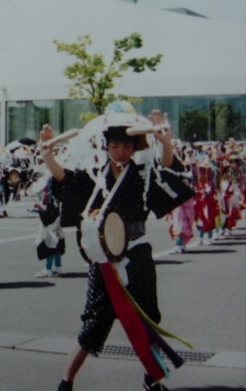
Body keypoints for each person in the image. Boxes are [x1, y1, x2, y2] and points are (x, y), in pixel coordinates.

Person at [39, 104, 194, 391]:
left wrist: (164, 141)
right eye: (115, 145)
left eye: (126, 146)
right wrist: (48, 155)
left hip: (137, 252)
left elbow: (168, 170)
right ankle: (66, 381)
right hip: (104, 258)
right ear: (105, 145)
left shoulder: (142, 173)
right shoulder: (93, 175)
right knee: (95, 321)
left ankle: (152, 377)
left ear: (134, 146)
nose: (121, 151)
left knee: (147, 316)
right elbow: (64, 180)